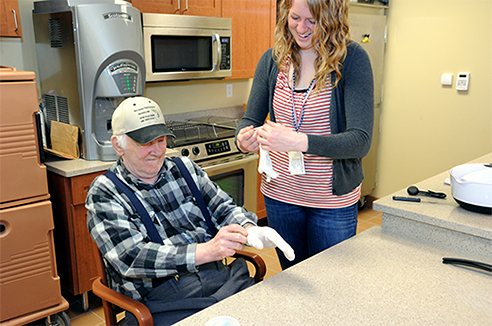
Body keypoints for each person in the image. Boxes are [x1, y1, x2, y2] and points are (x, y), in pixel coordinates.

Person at [86, 97, 295, 326]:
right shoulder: (105, 192)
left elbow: (223, 207)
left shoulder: (184, 168)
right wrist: (206, 251)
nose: (157, 151)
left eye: (161, 140)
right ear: (118, 145)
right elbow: (132, 257)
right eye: (146, 143)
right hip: (163, 303)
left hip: (222, 281)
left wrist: (249, 228)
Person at [235, 0, 374, 270]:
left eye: (312, 20)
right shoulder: (272, 61)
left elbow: (360, 141)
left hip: (331, 201)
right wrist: (244, 138)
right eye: (295, 17)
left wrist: (297, 140)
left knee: (331, 284)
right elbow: (249, 120)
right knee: (293, 277)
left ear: (332, 18)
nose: (301, 28)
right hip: (280, 196)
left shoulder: (352, 59)